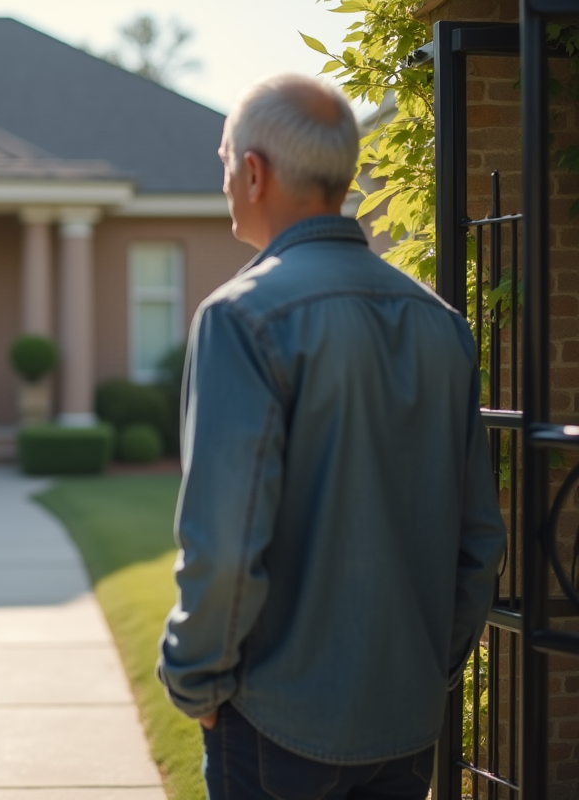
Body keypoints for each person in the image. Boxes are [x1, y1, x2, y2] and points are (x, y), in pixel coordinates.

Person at [156, 74, 506, 800]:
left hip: (274, 726)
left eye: (224, 161)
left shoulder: (240, 319)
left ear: (253, 172)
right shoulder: (444, 326)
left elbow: (224, 543)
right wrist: (427, 672)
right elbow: (478, 540)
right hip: (406, 723)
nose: (223, 180)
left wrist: (197, 684)